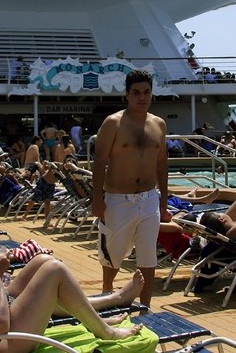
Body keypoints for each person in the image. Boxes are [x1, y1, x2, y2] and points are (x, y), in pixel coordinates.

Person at [0, 215, 144, 352]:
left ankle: (107, 305)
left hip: (4, 310)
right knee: (54, 271)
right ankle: (106, 331)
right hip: (4, 344)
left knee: (42, 261)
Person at [92, 69, 170, 307]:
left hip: (148, 199)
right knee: (112, 255)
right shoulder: (113, 123)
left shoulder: (159, 125)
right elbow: (100, 162)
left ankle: (145, 308)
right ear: (127, 94)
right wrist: (97, 199)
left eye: (146, 92)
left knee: (147, 255)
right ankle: (107, 296)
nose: (141, 97)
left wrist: (164, 202)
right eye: (136, 92)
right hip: (117, 199)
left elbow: (161, 164)